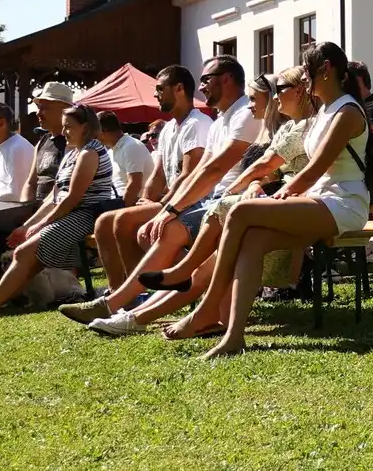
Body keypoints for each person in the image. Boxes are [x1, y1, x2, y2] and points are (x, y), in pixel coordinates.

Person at [158, 44, 372, 358]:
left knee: (242, 212)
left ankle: (205, 310)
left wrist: (282, 194)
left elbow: (315, 169)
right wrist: (271, 186)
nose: (304, 77)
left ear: (326, 69)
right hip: (319, 201)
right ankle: (233, 336)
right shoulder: (324, 111)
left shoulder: (348, 111)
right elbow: (290, 166)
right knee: (253, 239)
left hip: (344, 204)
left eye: (307, 68)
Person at [87, 67, 318, 337]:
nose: (273, 98)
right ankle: (135, 309)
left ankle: (142, 305)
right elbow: (266, 173)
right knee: (125, 226)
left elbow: (256, 166)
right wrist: (253, 185)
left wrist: (177, 206)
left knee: (199, 239)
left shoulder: (301, 126)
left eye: (279, 91)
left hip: (280, 208)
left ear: (300, 91)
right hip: (253, 205)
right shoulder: (278, 126)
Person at [63, 59, 250, 325]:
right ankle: (126, 300)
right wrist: (149, 200)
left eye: (207, 79)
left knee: (139, 225)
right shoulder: (215, 121)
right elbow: (168, 173)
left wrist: (168, 207)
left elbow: (203, 172)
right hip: (205, 198)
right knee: (112, 222)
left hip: (214, 199)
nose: (203, 86)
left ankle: (128, 303)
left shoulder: (219, 118)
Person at [0, 104, 119, 322]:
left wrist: (38, 225)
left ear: (85, 127)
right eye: (64, 126)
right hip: (71, 213)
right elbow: (53, 197)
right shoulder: (73, 152)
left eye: (69, 127)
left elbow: (72, 198)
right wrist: (28, 225)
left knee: (24, 254)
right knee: (25, 255)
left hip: (87, 214)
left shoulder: (89, 153)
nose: (64, 131)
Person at [97, 113, 152, 206]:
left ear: (102, 132)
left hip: (135, 204)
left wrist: (121, 212)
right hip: (116, 200)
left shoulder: (131, 146)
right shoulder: (112, 150)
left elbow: (135, 185)